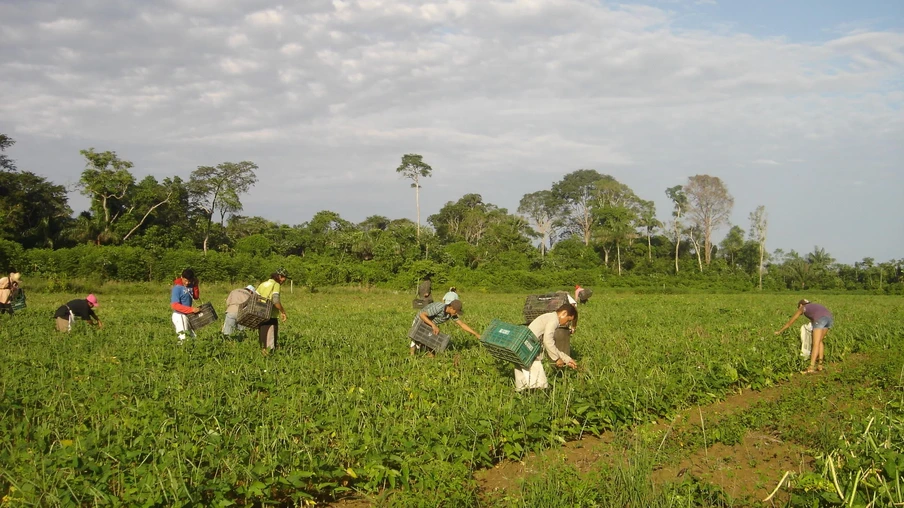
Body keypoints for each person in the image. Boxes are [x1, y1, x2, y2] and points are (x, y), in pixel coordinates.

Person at [516, 303, 579, 391]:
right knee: (541, 386)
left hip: (521, 348)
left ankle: (522, 398)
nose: (567, 323)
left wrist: (567, 359)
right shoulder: (554, 320)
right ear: (564, 313)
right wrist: (556, 359)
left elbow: (549, 344)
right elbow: (548, 341)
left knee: (522, 384)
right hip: (529, 350)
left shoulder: (549, 316)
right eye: (568, 320)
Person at [775, 299, 834, 374]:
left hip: (820, 319)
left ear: (800, 305)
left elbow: (791, 321)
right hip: (829, 319)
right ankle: (820, 365)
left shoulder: (803, 308)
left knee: (815, 343)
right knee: (820, 341)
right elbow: (817, 317)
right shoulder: (814, 306)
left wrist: (779, 331)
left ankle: (811, 367)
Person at [411, 299, 480, 355]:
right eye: (456, 311)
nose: (456, 313)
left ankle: (430, 356)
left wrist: (475, 334)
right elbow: (422, 315)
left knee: (431, 339)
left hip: (430, 324)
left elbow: (461, 324)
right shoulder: (438, 308)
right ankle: (412, 356)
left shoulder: (451, 314)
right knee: (416, 339)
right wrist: (433, 325)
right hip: (420, 321)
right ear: (451, 308)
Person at [256, 269, 289, 353]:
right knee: (270, 340)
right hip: (270, 316)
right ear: (280, 276)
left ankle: (263, 354)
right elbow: (275, 300)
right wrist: (283, 311)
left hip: (260, 314)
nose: (284, 280)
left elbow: (255, 298)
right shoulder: (276, 285)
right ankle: (269, 357)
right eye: (284, 278)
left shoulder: (262, 284)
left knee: (263, 338)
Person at [171, 268, 200, 343]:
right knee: (183, 338)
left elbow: (196, 297)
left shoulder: (190, 285)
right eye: (185, 280)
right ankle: (181, 352)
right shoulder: (177, 288)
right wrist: (191, 309)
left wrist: (195, 285)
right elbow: (175, 305)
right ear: (181, 277)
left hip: (187, 315)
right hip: (179, 315)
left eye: (189, 280)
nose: (187, 283)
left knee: (193, 337)